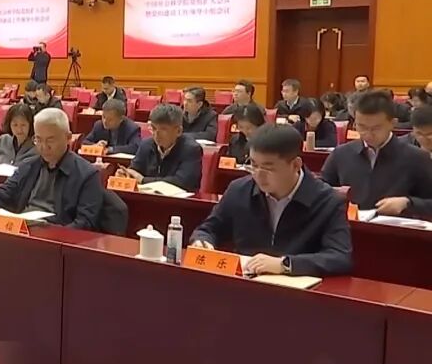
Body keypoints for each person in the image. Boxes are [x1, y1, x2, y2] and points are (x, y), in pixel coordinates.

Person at [189, 125, 353, 276]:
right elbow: (209, 229)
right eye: (253, 165)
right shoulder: (239, 190)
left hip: (295, 290)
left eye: (268, 168)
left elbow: (339, 257)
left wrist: (285, 264)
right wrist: (203, 241)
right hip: (245, 282)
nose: (258, 175)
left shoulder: (327, 201)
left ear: (296, 165)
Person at [0, 108, 102, 229]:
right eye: (38, 140)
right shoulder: (29, 165)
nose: (43, 146)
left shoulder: (87, 175)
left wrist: (54, 235)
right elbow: (5, 192)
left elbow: (85, 223)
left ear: (68, 138)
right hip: (25, 231)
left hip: (56, 239)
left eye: (50, 140)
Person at [321, 90, 432, 217]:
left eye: (376, 128)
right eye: (361, 127)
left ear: (393, 123)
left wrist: (408, 203)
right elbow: (321, 193)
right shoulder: (341, 154)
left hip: (394, 227)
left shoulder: (416, 157)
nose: (368, 134)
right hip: (348, 225)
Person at [118, 103, 204, 192]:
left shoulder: (191, 149)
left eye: (163, 129)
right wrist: (125, 175)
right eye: (154, 128)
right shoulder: (146, 144)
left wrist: (143, 180)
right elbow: (134, 170)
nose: (156, 134)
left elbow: (183, 182)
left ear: (178, 131)